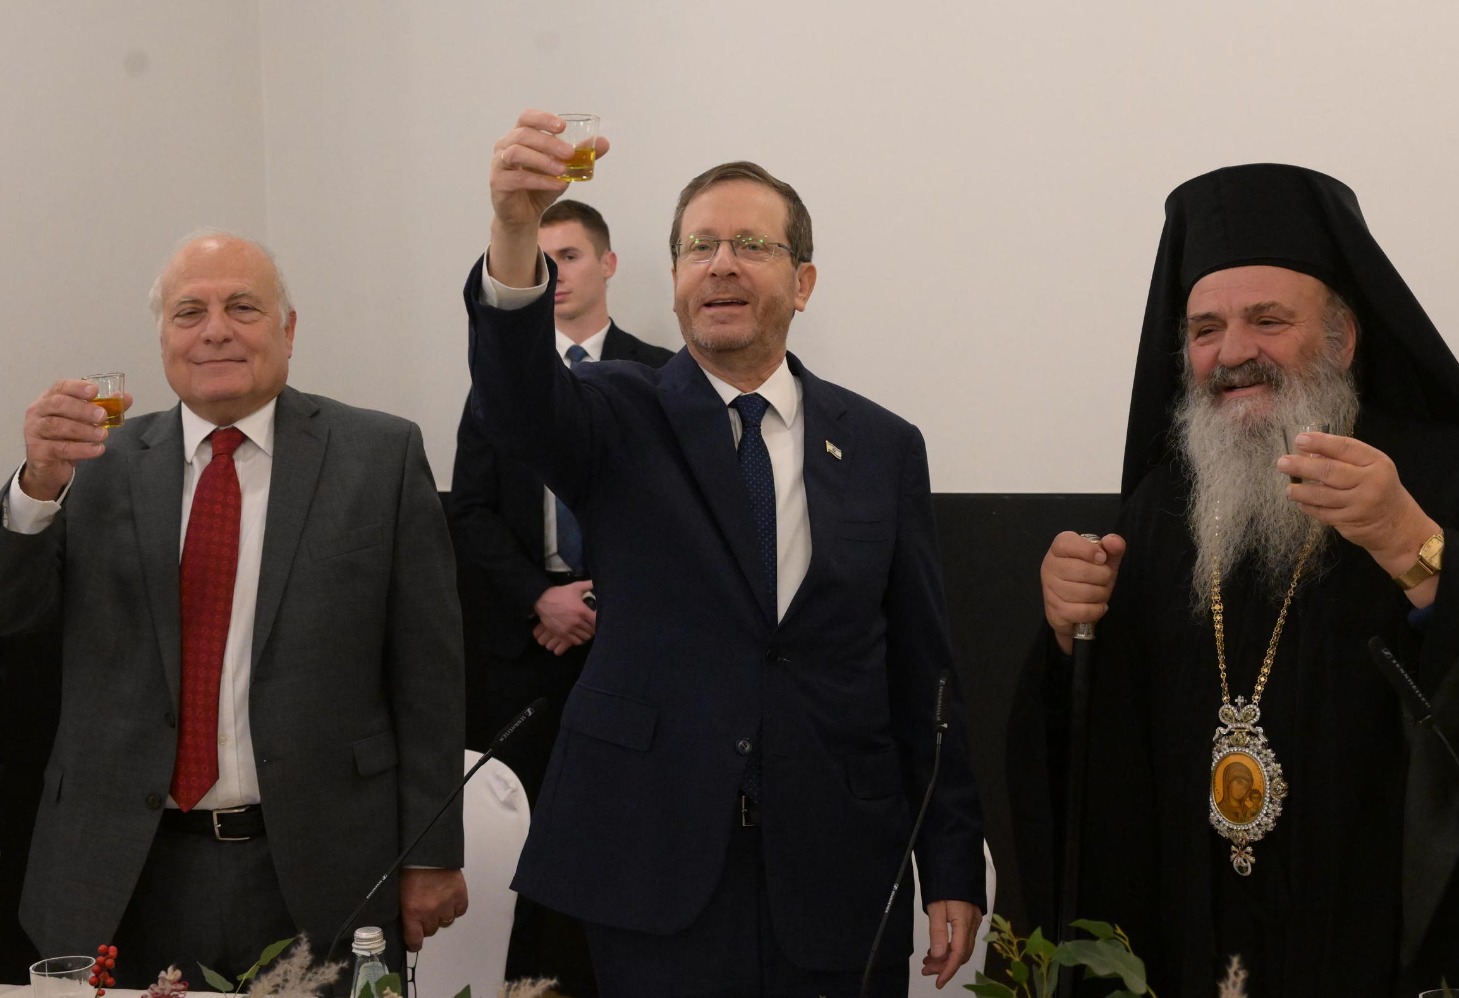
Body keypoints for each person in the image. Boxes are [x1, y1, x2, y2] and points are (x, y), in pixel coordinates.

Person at [1016, 164, 1459, 997]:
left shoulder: (1451, 477)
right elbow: (1099, 765)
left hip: (1383, 954)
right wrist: (1068, 633)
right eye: (1206, 329)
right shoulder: (1159, 509)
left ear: (1342, 338)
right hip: (1195, 948)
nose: (1232, 353)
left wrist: (1415, 547)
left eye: (1268, 320)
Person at [462, 109, 987, 995]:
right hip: (652, 861)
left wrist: (952, 860)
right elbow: (516, 399)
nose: (721, 264)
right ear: (674, 279)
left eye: (751, 244)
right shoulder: (616, 412)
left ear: (803, 281)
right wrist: (516, 230)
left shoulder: (884, 446)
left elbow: (922, 673)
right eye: (699, 246)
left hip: (835, 867)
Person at [0, 233, 469, 988]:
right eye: (189, 312)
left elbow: (430, 677)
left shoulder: (379, 455)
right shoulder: (93, 463)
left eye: (242, 307)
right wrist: (34, 491)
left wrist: (432, 851)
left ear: (288, 330)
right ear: (163, 338)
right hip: (121, 871)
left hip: (320, 866)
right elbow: (15, 623)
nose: (215, 329)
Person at [449, 198, 672, 993]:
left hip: (631, 651)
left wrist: (601, 602)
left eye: (569, 256)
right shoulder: (498, 383)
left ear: (607, 264)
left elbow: (676, 517)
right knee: (528, 852)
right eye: (540, 262)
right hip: (526, 655)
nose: (555, 275)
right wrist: (540, 600)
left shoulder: (664, 375)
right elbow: (468, 511)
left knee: (631, 842)